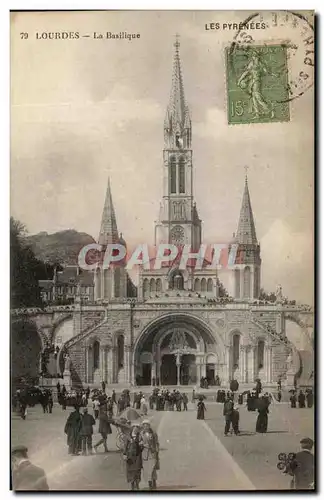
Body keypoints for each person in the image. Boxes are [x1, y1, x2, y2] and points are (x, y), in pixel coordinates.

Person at [123, 424, 143, 491]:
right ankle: (132, 484)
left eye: (137, 428)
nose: (136, 429)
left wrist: (141, 446)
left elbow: (141, 448)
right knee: (130, 471)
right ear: (132, 428)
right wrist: (124, 454)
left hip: (137, 456)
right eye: (134, 428)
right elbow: (125, 446)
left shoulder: (140, 437)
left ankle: (137, 484)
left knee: (137, 470)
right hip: (130, 456)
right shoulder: (128, 437)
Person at [141, 419, 160, 490]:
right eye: (144, 425)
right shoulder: (141, 434)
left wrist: (156, 451)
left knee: (153, 468)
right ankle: (149, 484)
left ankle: (154, 481)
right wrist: (142, 444)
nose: (146, 427)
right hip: (145, 454)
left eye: (147, 425)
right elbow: (139, 442)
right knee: (146, 469)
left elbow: (157, 443)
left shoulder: (153, 433)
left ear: (149, 426)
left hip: (152, 453)